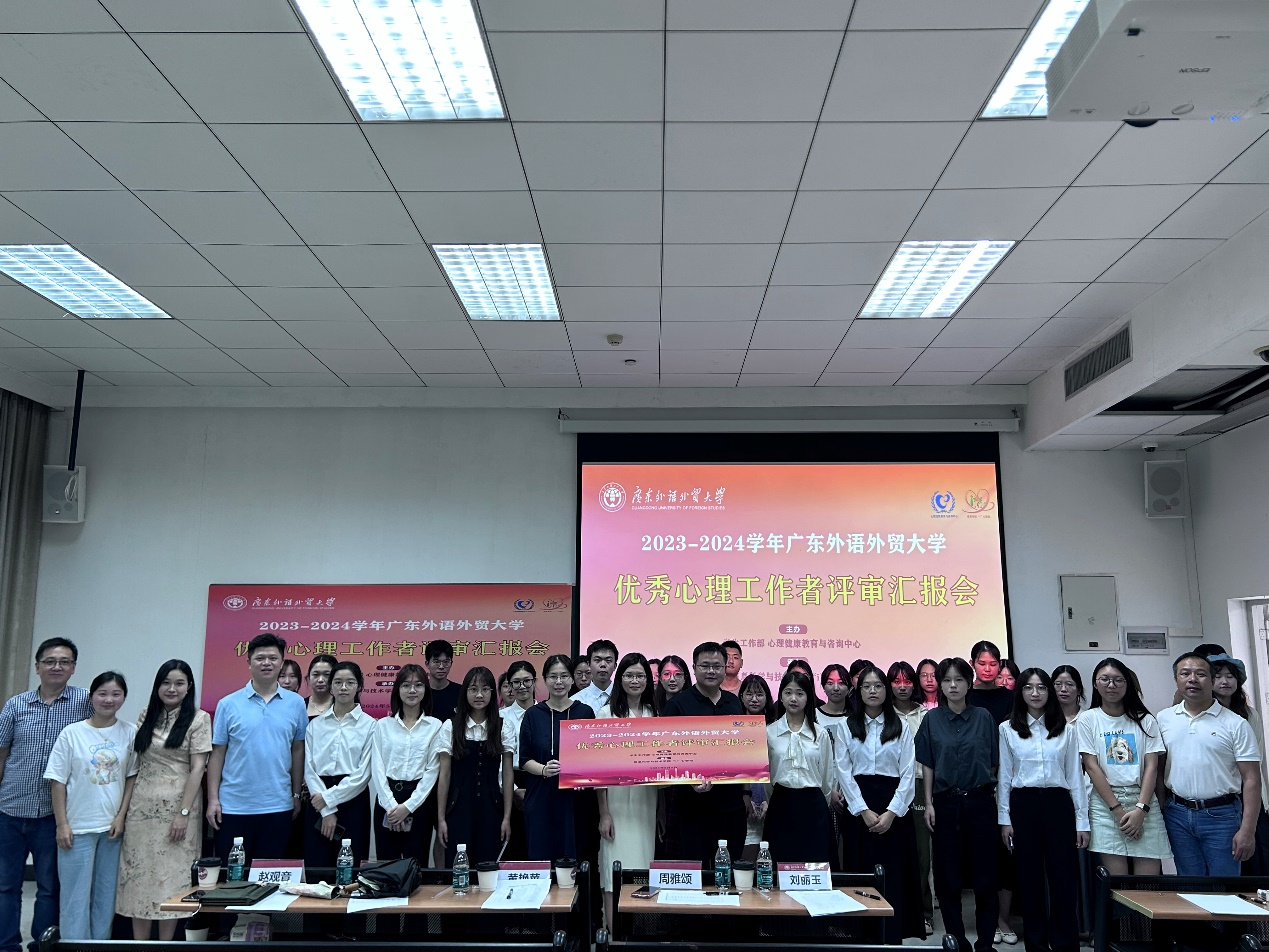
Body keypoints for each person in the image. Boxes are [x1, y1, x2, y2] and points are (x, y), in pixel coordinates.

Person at [0, 637, 91, 952]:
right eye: (50, 661)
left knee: (50, 887)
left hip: (55, 814)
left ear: (73, 668)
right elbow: (2, 753)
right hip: (10, 809)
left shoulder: (85, 701)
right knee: (6, 886)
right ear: (37, 666)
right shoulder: (16, 705)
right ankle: (7, 945)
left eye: (64, 662)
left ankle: (42, 946)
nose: (57, 667)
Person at [116, 660, 212, 940]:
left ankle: (166, 944)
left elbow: (197, 769)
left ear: (189, 686)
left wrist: (183, 813)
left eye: (179, 683)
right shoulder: (146, 715)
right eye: (166, 683)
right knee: (138, 878)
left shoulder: (199, 719)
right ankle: (140, 945)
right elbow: (136, 764)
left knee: (171, 880)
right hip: (141, 809)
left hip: (179, 809)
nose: (172, 689)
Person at [998, 669, 1088, 952]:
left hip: (1058, 804)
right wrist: (1004, 819)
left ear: (1049, 692)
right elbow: (1004, 777)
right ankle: (1036, 944)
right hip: (1023, 805)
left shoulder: (1066, 730)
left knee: (1063, 878)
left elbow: (1075, 776)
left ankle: (1065, 944)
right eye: (1028, 687)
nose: (1035, 693)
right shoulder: (1007, 729)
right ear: (1020, 692)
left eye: (1041, 688)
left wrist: (1082, 821)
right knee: (1029, 879)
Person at [45, 671, 138, 940]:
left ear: (123, 698)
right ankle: (75, 945)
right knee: (74, 898)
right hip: (77, 828)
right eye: (102, 694)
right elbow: (57, 781)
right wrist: (62, 824)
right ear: (91, 697)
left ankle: (99, 945)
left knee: (105, 897)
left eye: (116, 694)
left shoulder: (130, 732)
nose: (109, 700)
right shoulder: (72, 733)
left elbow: (131, 777)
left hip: (112, 830)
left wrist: (121, 817)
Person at [915, 657, 999, 952]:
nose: (953, 685)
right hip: (945, 803)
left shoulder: (984, 717)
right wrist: (929, 803)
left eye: (959, 680)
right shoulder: (931, 720)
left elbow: (995, 762)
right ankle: (957, 941)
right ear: (940, 684)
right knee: (948, 878)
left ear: (969, 683)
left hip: (980, 802)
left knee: (985, 878)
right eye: (947, 680)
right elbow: (928, 764)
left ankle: (985, 943)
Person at [206, 633, 308, 861]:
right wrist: (213, 799)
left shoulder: (296, 704)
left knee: (269, 874)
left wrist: (295, 794)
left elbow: (297, 749)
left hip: (278, 805)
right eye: (260, 658)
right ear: (249, 663)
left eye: (273, 658)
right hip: (233, 806)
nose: (266, 663)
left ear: (281, 663)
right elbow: (217, 754)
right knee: (233, 875)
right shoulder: (228, 704)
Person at [839, 664, 922, 943]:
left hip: (893, 810)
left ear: (886, 690)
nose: (872, 691)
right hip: (859, 809)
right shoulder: (846, 726)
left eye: (878, 686)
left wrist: (891, 813)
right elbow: (843, 772)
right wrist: (862, 810)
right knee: (860, 875)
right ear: (858, 691)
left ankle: (893, 936)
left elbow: (908, 774)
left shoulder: (900, 727)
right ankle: (862, 937)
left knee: (894, 875)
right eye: (866, 686)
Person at [1158, 651, 1260, 876]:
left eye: (1200, 674)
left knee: (1225, 886)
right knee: (1190, 885)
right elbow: (1158, 768)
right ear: (1176, 680)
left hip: (1221, 816)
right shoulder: (1164, 719)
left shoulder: (1236, 724)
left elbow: (1252, 778)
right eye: (1185, 674)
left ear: (1212, 680)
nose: (1192, 679)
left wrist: (1248, 830)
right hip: (1177, 814)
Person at [1076, 658, 1169, 875]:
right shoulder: (1087, 719)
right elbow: (1091, 766)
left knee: (1148, 883)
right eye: (1105, 679)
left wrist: (1141, 810)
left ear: (1127, 684)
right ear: (1095, 683)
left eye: (1118, 680)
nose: (1111, 685)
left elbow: (1151, 767)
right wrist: (1117, 811)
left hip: (1143, 801)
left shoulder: (1145, 720)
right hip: (1105, 804)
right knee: (1116, 883)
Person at [663, 643, 750, 863]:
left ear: (724, 668)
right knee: (697, 870)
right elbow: (667, 755)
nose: (711, 671)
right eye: (705, 666)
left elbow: (744, 751)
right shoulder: (677, 705)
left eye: (717, 666)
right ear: (694, 668)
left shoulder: (734, 703)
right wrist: (689, 781)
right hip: (693, 808)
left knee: (729, 870)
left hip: (732, 807)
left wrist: (746, 792)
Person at [597, 653, 657, 929]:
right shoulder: (606, 714)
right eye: (629, 675)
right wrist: (604, 813)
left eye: (640, 676)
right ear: (620, 679)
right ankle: (612, 936)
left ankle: (636, 934)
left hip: (646, 803)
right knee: (613, 871)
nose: (635, 680)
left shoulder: (654, 713)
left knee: (642, 870)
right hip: (616, 803)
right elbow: (597, 771)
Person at [436, 666, 514, 866]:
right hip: (458, 808)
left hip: (492, 808)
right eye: (473, 689)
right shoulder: (450, 726)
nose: (479, 695)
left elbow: (507, 775)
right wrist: (441, 819)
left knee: (488, 867)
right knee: (457, 867)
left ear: (492, 693)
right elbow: (444, 775)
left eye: (485, 689)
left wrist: (506, 817)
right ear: (465, 692)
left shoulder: (503, 726)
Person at [520, 655, 595, 860]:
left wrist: (583, 778)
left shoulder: (585, 712)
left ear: (572, 679)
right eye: (553, 677)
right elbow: (524, 759)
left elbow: (594, 757)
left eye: (564, 676)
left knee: (576, 857)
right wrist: (544, 769)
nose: (559, 682)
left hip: (576, 800)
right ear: (545, 680)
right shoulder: (533, 714)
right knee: (542, 857)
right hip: (541, 797)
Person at [304, 661, 373, 869]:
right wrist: (326, 809)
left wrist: (329, 799)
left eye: (350, 682)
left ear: (359, 686)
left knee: (350, 865)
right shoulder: (316, 725)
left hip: (353, 800)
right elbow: (309, 768)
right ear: (331, 686)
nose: (344, 687)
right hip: (317, 798)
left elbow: (363, 774)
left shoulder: (370, 725)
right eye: (338, 682)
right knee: (316, 865)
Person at [967, 640, 1014, 943]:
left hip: (1009, 780)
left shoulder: (1011, 698)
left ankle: (1004, 919)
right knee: (983, 856)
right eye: (982, 663)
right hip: (977, 783)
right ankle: (987, 919)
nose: (987, 669)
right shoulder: (965, 696)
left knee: (1007, 854)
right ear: (972, 663)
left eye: (993, 664)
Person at [370, 664, 441, 863]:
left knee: (415, 865)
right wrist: (392, 807)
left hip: (419, 802)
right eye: (406, 685)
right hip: (387, 800)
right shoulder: (383, 725)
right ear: (397, 690)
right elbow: (377, 768)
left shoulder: (435, 726)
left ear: (425, 690)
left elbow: (432, 771)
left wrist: (408, 807)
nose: (412, 690)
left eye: (418, 685)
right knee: (386, 865)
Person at [1206, 652, 1269, 873]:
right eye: (1218, 676)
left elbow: (1257, 758)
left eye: (1230, 676)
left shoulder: (1249, 714)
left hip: (1247, 791)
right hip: (1220, 794)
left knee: (1256, 857)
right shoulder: (1202, 714)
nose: (1224, 681)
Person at [765, 670, 834, 865]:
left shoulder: (820, 734)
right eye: (788, 693)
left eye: (800, 693)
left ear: (808, 697)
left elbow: (827, 777)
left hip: (814, 807)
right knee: (781, 865)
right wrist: (777, 799)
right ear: (780, 696)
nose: (793, 698)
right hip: (781, 805)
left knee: (814, 864)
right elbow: (767, 779)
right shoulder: (769, 733)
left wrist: (820, 804)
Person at [890, 660, 934, 937]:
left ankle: (925, 913)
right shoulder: (885, 715)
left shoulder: (926, 715)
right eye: (896, 681)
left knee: (921, 855)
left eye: (907, 681)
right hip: (890, 786)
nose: (903, 686)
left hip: (918, 785)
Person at [653, 654, 692, 860]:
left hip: (689, 784)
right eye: (667, 674)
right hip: (658, 784)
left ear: (686, 678)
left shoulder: (694, 706)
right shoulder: (651, 708)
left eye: (678, 674)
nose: (672, 679)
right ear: (659, 678)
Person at [502, 660, 537, 859]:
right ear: (509, 685)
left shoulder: (546, 714)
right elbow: (497, 761)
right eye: (516, 682)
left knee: (538, 842)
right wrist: (513, 790)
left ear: (535, 682)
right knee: (513, 847)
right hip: (509, 781)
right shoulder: (501, 717)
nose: (522, 686)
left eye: (527, 681)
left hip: (540, 781)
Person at [738, 675, 776, 860]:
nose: (754, 699)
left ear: (767, 698)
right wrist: (746, 797)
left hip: (771, 801)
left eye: (759, 694)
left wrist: (769, 799)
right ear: (741, 696)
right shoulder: (733, 728)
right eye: (749, 694)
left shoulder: (775, 729)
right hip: (742, 801)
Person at [818, 664, 851, 870]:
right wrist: (828, 791)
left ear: (850, 687)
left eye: (841, 683)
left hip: (852, 793)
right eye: (830, 683)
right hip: (823, 792)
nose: (836, 688)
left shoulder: (857, 716)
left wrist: (849, 791)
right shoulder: (813, 716)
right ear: (823, 686)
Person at [573, 639, 618, 712]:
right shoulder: (575, 701)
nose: (603, 665)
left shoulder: (625, 698)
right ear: (589, 664)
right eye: (597, 660)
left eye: (608, 660)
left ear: (615, 666)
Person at [424, 640, 460, 722]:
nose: (441, 666)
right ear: (427, 664)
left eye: (446, 662)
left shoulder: (461, 692)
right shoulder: (420, 692)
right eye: (436, 662)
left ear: (451, 663)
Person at [304, 654, 336, 720]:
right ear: (308, 677)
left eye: (327, 674)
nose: (320, 680)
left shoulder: (342, 704)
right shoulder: (300, 704)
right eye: (316, 674)